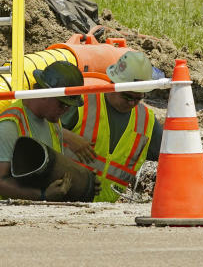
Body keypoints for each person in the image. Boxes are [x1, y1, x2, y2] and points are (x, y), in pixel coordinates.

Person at [60, 50, 163, 202]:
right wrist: (69, 137)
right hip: (62, 200)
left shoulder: (147, 121)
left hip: (106, 210)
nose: (131, 103)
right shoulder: (83, 102)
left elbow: (171, 157)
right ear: (113, 83)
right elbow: (39, 129)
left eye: (138, 98)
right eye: (127, 96)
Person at [0, 60, 85, 200]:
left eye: (70, 106)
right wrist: (43, 196)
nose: (66, 110)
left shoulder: (52, 122)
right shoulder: (9, 126)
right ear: (45, 93)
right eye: (63, 104)